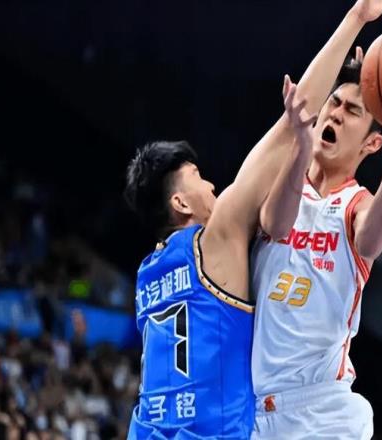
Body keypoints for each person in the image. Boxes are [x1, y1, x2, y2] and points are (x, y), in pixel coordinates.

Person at [250, 9, 382, 440]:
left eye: (352, 110)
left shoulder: (355, 205)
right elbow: (275, 223)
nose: (335, 114)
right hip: (258, 413)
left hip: (323, 410)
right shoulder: (281, 186)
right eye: (333, 103)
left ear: (372, 142)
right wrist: (299, 148)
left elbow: (372, 239)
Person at [124, 71, 317, 436]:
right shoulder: (211, 244)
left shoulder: (147, 273)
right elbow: (292, 122)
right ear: (180, 203)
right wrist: (349, 32)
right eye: (197, 175)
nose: (211, 184)